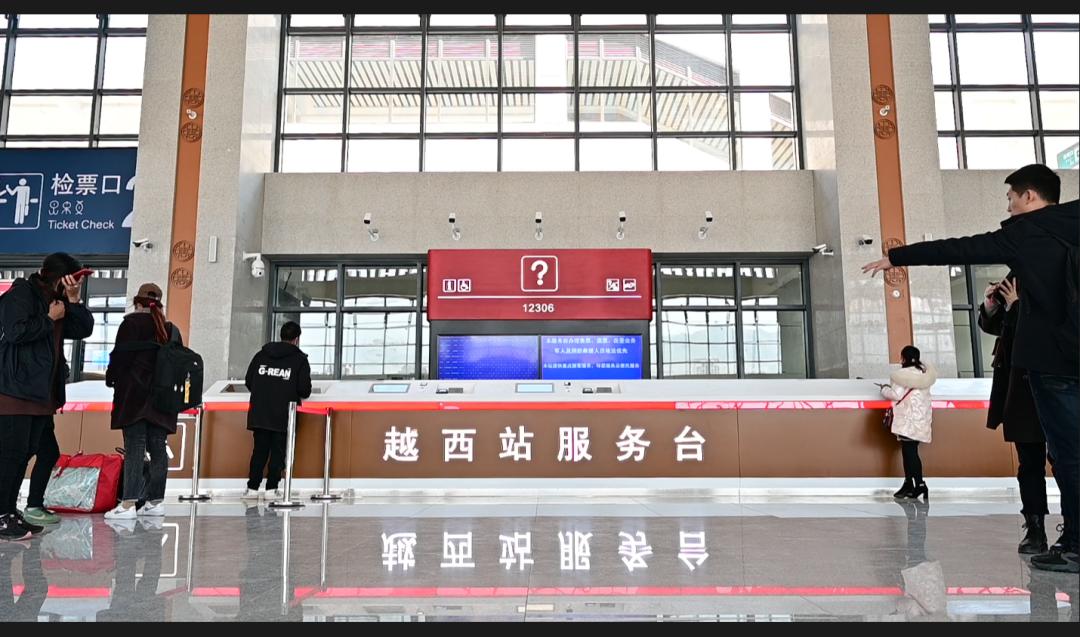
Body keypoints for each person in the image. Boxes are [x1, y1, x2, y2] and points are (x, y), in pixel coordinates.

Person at [863, 164, 1078, 574]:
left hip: (1050, 361)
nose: (1009, 207)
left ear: (1029, 196)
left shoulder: (1025, 234)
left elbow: (959, 249)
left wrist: (897, 257)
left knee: (1068, 456)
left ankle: (1074, 545)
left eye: (1011, 198)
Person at [0, 253, 94, 540]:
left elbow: (83, 329)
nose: (75, 285)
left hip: (42, 393)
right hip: (15, 390)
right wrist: (48, 319)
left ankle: (10, 511)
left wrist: (74, 300)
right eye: (73, 280)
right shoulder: (22, 294)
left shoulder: (60, 301)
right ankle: (2, 515)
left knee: (25, 453)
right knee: (11, 455)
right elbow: (15, 332)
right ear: (60, 277)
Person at [978, 274, 1050, 554]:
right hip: (1021, 393)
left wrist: (1017, 306)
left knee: (1066, 462)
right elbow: (1000, 327)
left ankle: (1072, 529)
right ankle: (1035, 528)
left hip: (1055, 388)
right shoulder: (1020, 274)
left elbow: (1051, 329)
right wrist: (993, 304)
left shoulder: (1058, 278)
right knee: (1029, 465)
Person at [103, 283, 181, 520]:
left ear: (137, 302)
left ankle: (128, 504)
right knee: (158, 447)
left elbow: (119, 359)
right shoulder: (170, 329)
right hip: (163, 399)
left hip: (134, 397)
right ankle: (155, 502)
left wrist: (111, 378)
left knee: (135, 447)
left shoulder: (131, 324)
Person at [243, 321, 312, 499]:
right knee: (278, 452)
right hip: (284, 414)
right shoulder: (299, 360)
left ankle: (252, 489)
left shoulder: (261, 355)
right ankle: (271, 489)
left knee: (259, 451)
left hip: (260, 412)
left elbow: (249, 381)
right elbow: (304, 390)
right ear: (296, 339)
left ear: (281, 335)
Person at [880, 345, 936, 500]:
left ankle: (919, 484)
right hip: (921, 419)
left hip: (907, 420)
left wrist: (884, 390)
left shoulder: (901, 375)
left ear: (903, 358)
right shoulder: (924, 374)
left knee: (910, 453)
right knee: (910, 451)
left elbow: (896, 395)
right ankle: (910, 484)